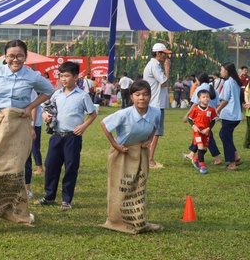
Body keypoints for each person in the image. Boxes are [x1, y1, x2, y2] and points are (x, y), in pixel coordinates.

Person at [0, 40, 54, 224]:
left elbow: (49, 90)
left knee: (15, 169)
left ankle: (15, 212)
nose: (15, 59)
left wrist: (31, 107)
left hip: (19, 124)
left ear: (25, 57)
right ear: (5, 57)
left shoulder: (32, 76)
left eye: (19, 56)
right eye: (11, 56)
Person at [100, 79, 162, 234]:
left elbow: (156, 125)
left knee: (139, 186)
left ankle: (138, 219)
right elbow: (104, 124)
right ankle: (117, 220)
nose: (142, 98)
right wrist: (115, 144)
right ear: (131, 96)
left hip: (140, 152)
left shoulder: (156, 112)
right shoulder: (124, 114)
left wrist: (149, 140)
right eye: (138, 94)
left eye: (145, 94)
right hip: (122, 153)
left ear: (150, 96)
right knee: (122, 186)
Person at [36, 61, 97, 210]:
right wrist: (45, 115)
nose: (63, 79)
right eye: (61, 76)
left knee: (70, 167)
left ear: (76, 77)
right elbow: (46, 108)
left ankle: (66, 200)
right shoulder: (57, 94)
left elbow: (93, 113)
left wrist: (83, 126)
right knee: (51, 165)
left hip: (72, 137)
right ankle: (49, 197)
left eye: (67, 76)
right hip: (56, 136)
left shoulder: (82, 95)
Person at [181, 72, 222, 167]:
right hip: (211, 117)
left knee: (206, 137)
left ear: (199, 79)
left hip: (202, 117)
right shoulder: (213, 89)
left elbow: (195, 104)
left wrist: (187, 115)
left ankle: (217, 159)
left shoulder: (200, 89)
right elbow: (217, 105)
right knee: (200, 135)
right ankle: (191, 154)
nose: (195, 81)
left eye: (196, 79)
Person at [142, 43, 171, 168]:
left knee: (151, 132)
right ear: (158, 53)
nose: (166, 56)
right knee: (155, 132)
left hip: (154, 102)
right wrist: (167, 68)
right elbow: (164, 82)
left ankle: (146, 158)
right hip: (156, 103)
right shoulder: (155, 65)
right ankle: (150, 159)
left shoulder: (153, 64)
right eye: (164, 53)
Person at [217, 62, 243, 170]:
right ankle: (236, 157)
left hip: (229, 115)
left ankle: (232, 163)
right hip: (236, 115)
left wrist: (217, 110)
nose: (220, 72)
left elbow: (225, 100)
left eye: (221, 70)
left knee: (224, 136)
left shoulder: (228, 83)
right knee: (226, 136)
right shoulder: (236, 82)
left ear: (226, 71)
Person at [187, 89, 218, 174]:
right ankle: (202, 167)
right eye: (203, 97)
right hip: (197, 133)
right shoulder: (195, 109)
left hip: (206, 132)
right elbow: (190, 120)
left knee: (204, 149)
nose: (206, 99)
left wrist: (208, 129)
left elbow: (213, 121)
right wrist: (194, 126)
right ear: (199, 99)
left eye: (207, 97)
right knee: (200, 148)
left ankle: (195, 159)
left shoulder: (211, 110)